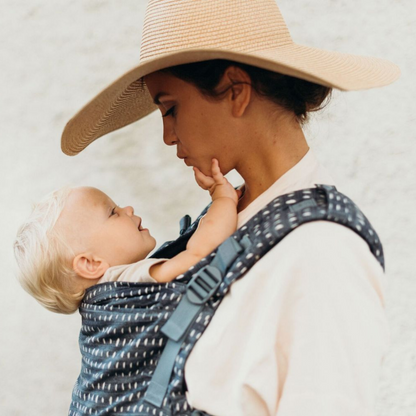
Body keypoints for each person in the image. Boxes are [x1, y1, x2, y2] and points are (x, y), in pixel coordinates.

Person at [60, 0, 400, 414]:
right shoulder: (227, 220)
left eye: (170, 108)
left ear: (236, 91)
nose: (168, 135)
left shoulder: (322, 253)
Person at [14, 159, 239, 314]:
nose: (128, 209)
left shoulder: (105, 305)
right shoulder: (126, 279)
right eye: (113, 212)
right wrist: (222, 199)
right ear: (91, 263)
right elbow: (199, 255)